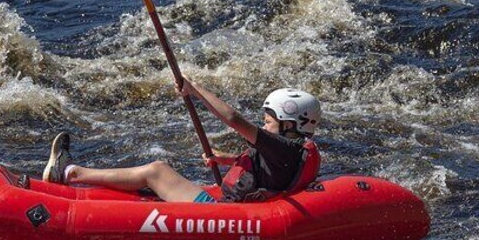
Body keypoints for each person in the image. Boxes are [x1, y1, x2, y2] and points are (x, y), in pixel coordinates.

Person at [42, 76, 321, 203]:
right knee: (157, 174)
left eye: (268, 121)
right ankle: (73, 176)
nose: (263, 124)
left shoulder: (285, 149)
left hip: (222, 215)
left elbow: (234, 120)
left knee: (157, 170)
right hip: (230, 207)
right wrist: (221, 158)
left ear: (289, 124)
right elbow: (263, 170)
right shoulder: (291, 150)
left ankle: (68, 172)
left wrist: (195, 89)